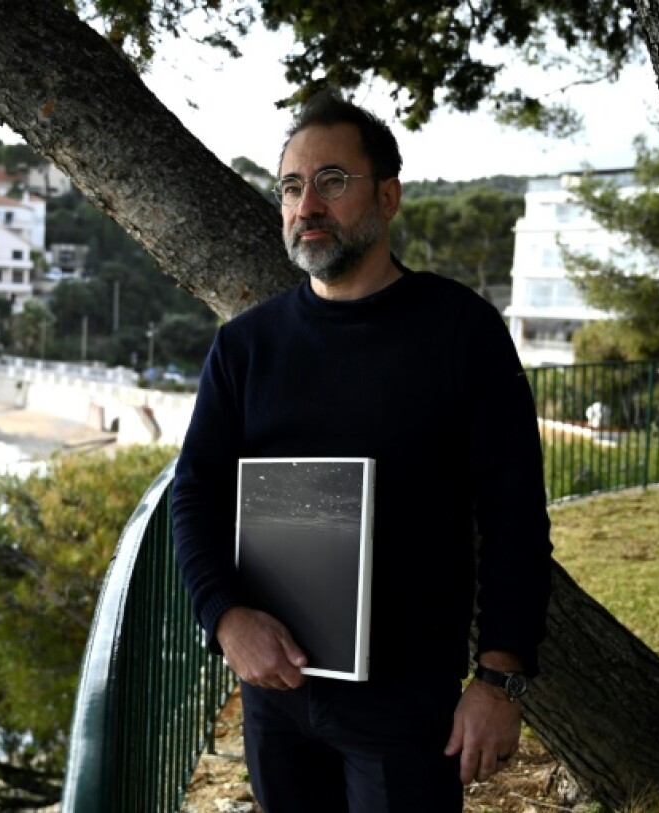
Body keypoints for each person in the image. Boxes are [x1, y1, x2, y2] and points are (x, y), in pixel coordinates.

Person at [171, 90, 553, 811]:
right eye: (291, 185)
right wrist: (224, 617)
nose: (307, 203)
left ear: (388, 195)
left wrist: (499, 679)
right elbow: (194, 493)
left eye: (332, 181)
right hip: (276, 696)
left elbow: (515, 517)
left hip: (407, 705)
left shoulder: (460, 332)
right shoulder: (245, 347)